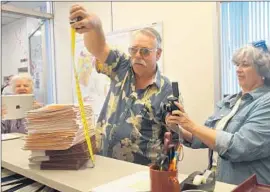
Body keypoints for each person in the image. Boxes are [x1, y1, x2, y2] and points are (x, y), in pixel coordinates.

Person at [70, 4, 181, 165]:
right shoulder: (122, 67)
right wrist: (94, 26)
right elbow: (99, 48)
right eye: (133, 50)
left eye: (144, 51)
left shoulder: (167, 90)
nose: (137, 56)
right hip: (103, 163)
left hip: (141, 175)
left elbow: (174, 139)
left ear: (157, 54)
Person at [166, 40, 270, 185]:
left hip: (249, 187)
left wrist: (191, 125)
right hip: (220, 182)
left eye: (245, 65)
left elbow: (239, 147)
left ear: (262, 70)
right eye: (237, 64)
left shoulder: (266, 103)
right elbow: (204, 137)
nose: (238, 69)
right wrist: (180, 129)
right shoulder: (230, 101)